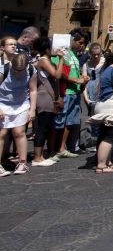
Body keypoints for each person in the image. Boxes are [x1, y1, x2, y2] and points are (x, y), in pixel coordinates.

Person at [54, 29, 89, 159]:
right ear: (72, 39)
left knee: (69, 122)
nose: (82, 46)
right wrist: (75, 80)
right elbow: (59, 72)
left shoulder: (73, 54)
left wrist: (82, 78)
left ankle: (62, 148)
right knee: (60, 122)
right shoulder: (61, 53)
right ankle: (55, 148)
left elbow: (73, 72)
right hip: (65, 92)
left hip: (75, 91)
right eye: (80, 42)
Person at [0, 53, 36, 176]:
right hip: (3, 104)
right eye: (16, 70)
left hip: (21, 104)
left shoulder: (31, 70)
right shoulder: (3, 70)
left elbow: (33, 89)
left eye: (21, 70)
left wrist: (32, 109)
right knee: (2, 133)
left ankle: (22, 162)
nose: (19, 72)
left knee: (19, 132)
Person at [32, 37, 63, 166]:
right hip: (43, 98)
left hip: (50, 98)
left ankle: (42, 154)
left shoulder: (49, 60)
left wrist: (58, 96)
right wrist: (61, 59)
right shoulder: (43, 61)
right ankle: (37, 157)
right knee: (42, 128)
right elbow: (57, 75)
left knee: (48, 126)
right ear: (47, 49)